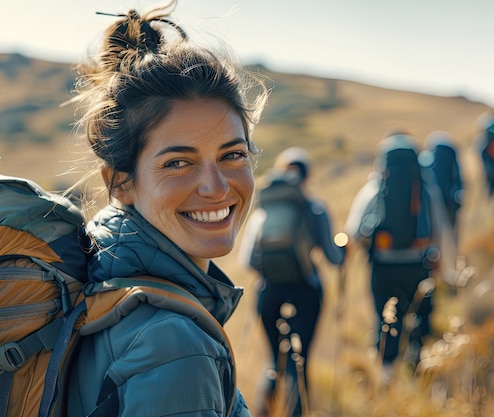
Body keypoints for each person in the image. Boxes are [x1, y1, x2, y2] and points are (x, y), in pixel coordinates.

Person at [65, 2, 268, 416]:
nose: (216, 188)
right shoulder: (174, 345)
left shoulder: (101, 281)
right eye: (178, 163)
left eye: (232, 155)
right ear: (119, 182)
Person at [239, 147, 345, 417]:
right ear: (307, 176)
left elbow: (249, 260)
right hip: (306, 291)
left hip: (269, 293)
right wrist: (344, 250)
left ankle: (263, 412)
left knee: (275, 361)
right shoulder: (314, 208)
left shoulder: (264, 209)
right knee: (300, 361)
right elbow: (333, 258)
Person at [344, 131, 438, 384]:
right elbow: (440, 227)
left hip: (383, 266)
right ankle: (417, 366)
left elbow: (354, 230)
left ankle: (386, 374)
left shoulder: (373, 189)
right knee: (417, 316)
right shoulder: (425, 188)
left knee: (385, 319)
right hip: (418, 264)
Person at [422, 131, 464, 247]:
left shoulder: (429, 155)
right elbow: (458, 176)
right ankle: (454, 254)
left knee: (436, 232)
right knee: (452, 230)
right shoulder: (451, 152)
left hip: (434, 201)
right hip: (451, 199)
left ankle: (439, 254)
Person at [473, 112, 494, 206]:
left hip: (488, 168)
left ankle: (488, 204)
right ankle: (493, 205)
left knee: (488, 186)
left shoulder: (483, 140)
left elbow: (479, 152)